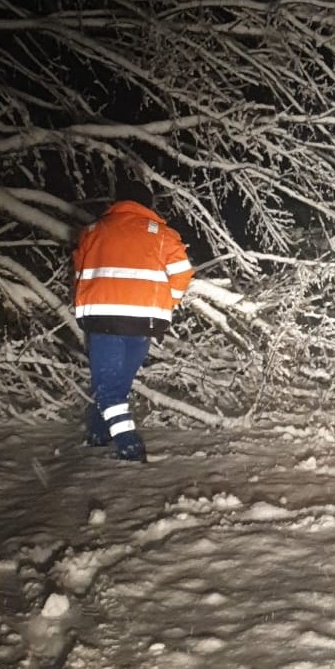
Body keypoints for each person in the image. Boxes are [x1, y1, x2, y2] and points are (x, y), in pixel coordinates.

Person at [73, 179, 195, 462]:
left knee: (110, 386)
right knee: (118, 383)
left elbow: (79, 270)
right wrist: (165, 302)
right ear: (148, 205)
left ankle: (128, 445)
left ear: (118, 202)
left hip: (102, 319)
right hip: (143, 323)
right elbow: (182, 273)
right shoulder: (162, 234)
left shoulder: (93, 231)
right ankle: (98, 433)